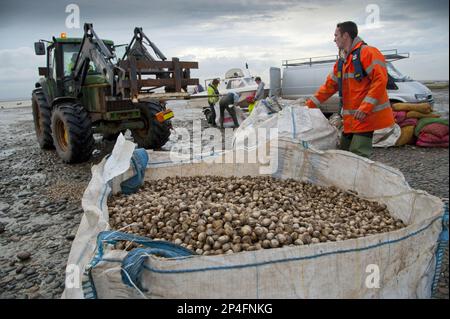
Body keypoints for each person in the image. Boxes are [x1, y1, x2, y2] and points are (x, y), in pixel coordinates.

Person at [305, 21, 394, 158]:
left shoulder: (368, 52)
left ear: (345, 35)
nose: (334, 39)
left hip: (365, 118)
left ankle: (360, 179)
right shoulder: (342, 61)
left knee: (358, 156)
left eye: (336, 35)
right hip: (350, 121)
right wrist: (307, 106)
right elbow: (329, 87)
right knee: (344, 154)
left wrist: (365, 108)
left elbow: (380, 80)